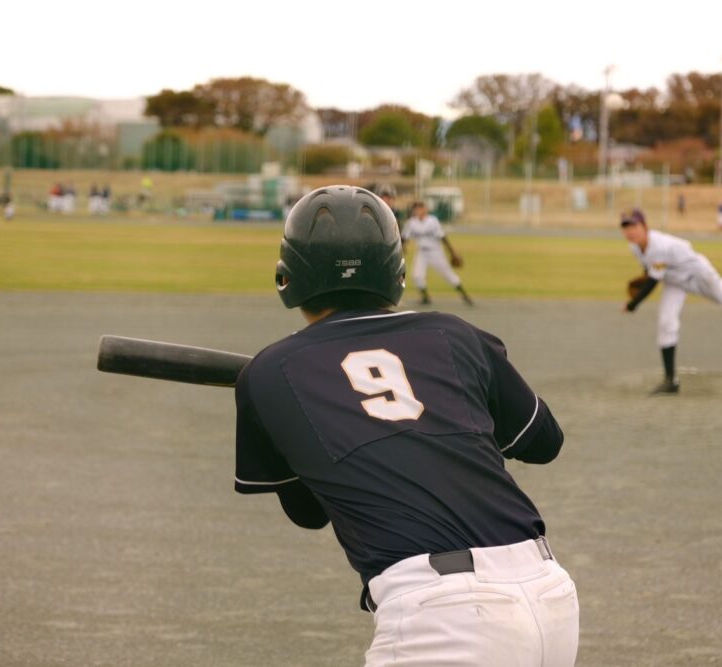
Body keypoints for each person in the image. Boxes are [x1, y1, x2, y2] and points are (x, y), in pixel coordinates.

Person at [235, 185, 578, 666]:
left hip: (439, 617)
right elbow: (544, 443)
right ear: (395, 270)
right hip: (551, 598)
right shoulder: (455, 335)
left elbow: (309, 513)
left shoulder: (270, 372)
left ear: (287, 274)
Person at [621, 208, 722, 394]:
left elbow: (653, 281)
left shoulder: (658, 245)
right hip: (674, 281)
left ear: (645, 226)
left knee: (721, 297)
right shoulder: (635, 247)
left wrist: (632, 304)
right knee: (666, 322)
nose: (630, 230)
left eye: (634, 225)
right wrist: (644, 277)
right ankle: (671, 380)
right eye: (626, 226)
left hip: (696, 272)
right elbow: (650, 271)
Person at [402, 201, 472, 306]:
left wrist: (452, 252)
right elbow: (404, 238)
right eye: (416, 208)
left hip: (436, 252)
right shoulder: (411, 223)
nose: (418, 210)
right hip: (421, 253)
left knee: (448, 274)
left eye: (420, 208)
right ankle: (426, 298)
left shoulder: (432, 221)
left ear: (425, 209)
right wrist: (402, 248)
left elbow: (442, 237)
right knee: (417, 275)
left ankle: (465, 296)